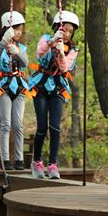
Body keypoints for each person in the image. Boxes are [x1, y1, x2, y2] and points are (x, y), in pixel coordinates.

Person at [28, 11, 79, 179]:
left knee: (55, 127)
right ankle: (36, 162)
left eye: (70, 31)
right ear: (58, 28)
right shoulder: (45, 39)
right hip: (41, 86)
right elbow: (40, 53)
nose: (67, 33)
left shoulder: (72, 48)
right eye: (64, 29)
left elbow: (65, 68)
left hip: (58, 87)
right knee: (42, 126)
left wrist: (61, 53)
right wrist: (52, 42)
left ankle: (53, 164)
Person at [0, 11, 30, 170]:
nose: (19, 32)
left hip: (19, 86)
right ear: (8, 29)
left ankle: (19, 159)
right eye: (16, 29)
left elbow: (26, 63)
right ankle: (5, 159)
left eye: (21, 29)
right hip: (4, 86)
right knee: (5, 124)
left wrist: (18, 53)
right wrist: (3, 43)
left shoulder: (21, 47)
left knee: (18, 125)